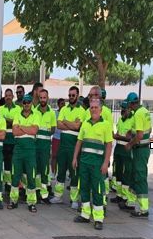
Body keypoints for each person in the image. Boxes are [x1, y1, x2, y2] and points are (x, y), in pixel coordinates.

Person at [72, 99, 113, 230]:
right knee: (83, 188)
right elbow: (79, 142)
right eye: (91, 107)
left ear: (101, 110)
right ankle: (85, 215)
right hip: (84, 162)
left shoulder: (106, 125)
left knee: (97, 190)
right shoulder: (85, 124)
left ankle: (98, 218)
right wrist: (74, 158)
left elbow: (109, 145)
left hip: (97, 164)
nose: (93, 109)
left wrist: (106, 163)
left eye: (96, 107)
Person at [50, 86, 85, 208]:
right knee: (61, 171)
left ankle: (74, 199)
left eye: (73, 95)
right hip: (63, 144)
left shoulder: (82, 111)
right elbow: (59, 125)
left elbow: (78, 127)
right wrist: (71, 124)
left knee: (74, 172)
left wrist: (65, 122)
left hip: (74, 145)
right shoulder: (64, 109)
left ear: (77, 95)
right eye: (69, 95)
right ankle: (58, 196)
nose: (71, 97)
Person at [9, 94, 39, 212]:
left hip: (30, 150)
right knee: (15, 175)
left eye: (28, 102)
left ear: (31, 103)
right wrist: (27, 129)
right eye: (25, 102)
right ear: (22, 104)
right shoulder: (17, 115)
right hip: (18, 150)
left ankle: (31, 202)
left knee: (31, 176)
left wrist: (21, 127)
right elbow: (15, 132)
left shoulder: (35, 115)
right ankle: (13, 200)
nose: (26, 104)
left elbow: (34, 130)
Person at [124, 92, 151, 218]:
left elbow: (140, 135)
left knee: (140, 177)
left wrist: (130, 143)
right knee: (137, 175)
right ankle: (138, 205)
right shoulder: (145, 111)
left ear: (130, 103)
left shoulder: (138, 114)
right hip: (143, 149)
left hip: (140, 149)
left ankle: (143, 209)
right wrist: (132, 131)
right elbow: (145, 131)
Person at [34, 89, 56, 204]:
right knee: (36, 171)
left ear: (47, 98)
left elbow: (53, 129)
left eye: (44, 98)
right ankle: (37, 193)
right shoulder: (34, 111)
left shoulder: (51, 112)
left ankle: (44, 195)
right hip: (35, 145)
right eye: (41, 98)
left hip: (45, 146)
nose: (42, 100)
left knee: (44, 171)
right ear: (39, 98)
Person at [111, 101, 134, 207]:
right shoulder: (120, 119)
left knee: (126, 173)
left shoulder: (133, 120)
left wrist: (117, 137)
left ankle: (125, 198)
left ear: (129, 109)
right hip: (118, 148)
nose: (122, 110)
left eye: (124, 109)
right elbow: (117, 134)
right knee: (117, 172)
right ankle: (119, 195)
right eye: (121, 108)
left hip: (126, 148)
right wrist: (117, 136)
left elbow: (129, 138)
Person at [0, 88, 21, 194]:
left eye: (9, 95)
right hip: (2, 140)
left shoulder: (18, 109)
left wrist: (6, 120)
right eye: (6, 95)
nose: (8, 97)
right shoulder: (0, 108)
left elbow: (17, 123)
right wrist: (10, 121)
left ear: (13, 96)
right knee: (1, 164)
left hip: (13, 141)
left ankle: (10, 185)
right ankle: (2, 186)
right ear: (4, 96)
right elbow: (0, 122)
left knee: (11, 164)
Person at [50, 97, 65, 179]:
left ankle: (60, 173)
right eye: (62, 104)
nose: (63, 105)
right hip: (56, 137)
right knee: (54, 156)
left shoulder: (66, 113)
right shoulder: (55, 113)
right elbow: (55, 125)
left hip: (64, 138)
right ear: (58, 105)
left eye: (64, 104)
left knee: (62, 158)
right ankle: (53, 172)